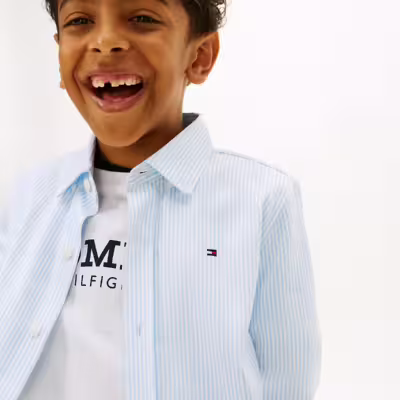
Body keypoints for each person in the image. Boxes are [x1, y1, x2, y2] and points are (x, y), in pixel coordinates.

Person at [0, 0, 322, 399]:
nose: (106, 41)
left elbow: (287, 378)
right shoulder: (29, 195)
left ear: (199, 57)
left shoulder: (261, 199)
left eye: (142, 18)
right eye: (80, 21)